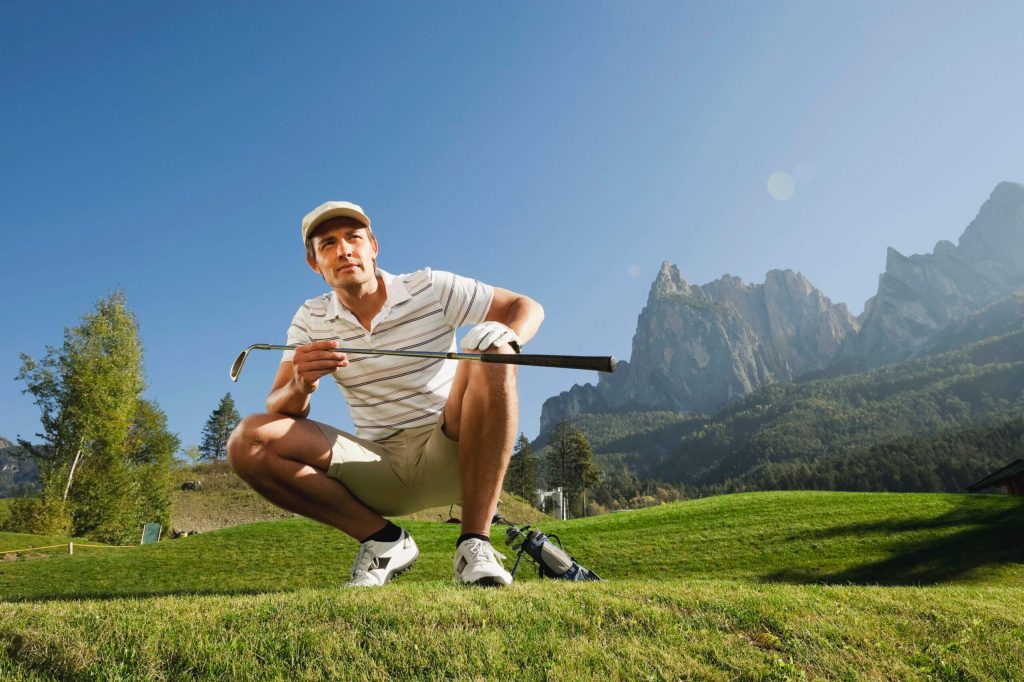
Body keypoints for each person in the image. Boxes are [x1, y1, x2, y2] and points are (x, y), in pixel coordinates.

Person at [227, 200, 544, 587]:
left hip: (455, 450)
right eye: (328, 244)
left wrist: (510, 337)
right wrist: (301, 384)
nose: (344, 250)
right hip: (378, 467)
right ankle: (383, 541)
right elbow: (278, 405)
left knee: (490, 346)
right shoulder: (310, 316)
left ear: (373, 247)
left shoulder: (429, 287)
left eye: (353, 238)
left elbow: (523, 306)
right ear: (315, 264)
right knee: (249, 441)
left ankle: (473, 543)